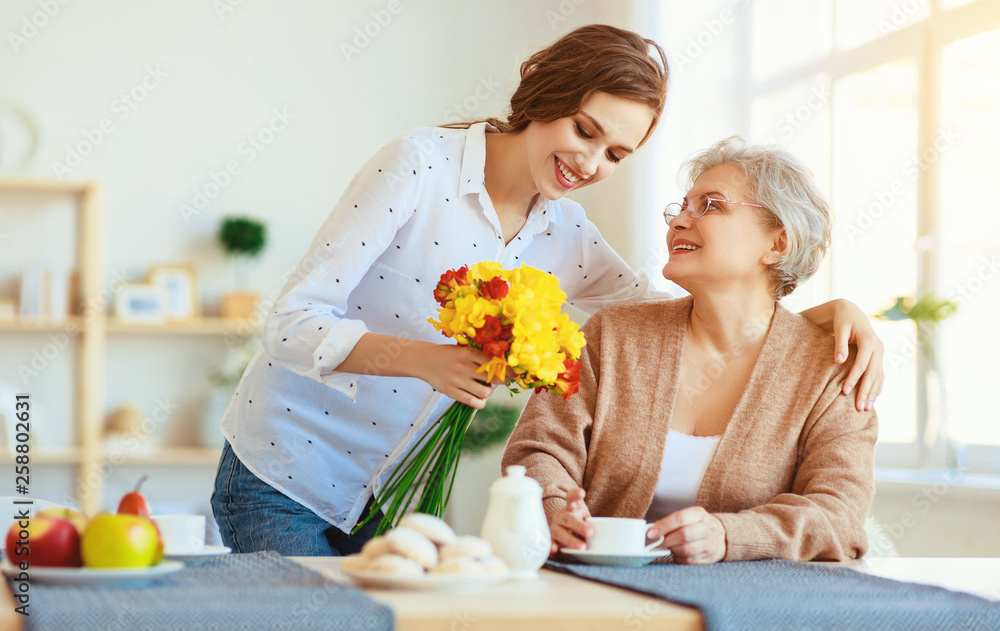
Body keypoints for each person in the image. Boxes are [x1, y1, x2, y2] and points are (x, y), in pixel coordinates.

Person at [211, 25, 882, 557]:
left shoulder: (567, 231)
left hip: (395, 491)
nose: (590, 163)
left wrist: (823, 318)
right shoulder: (418, 166)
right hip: (285, 471)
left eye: (616, 154)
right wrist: (423, 359)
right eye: (585, 131)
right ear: (545, 98)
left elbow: (690, 305)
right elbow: (291, 320)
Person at [502, 137, 879, 565]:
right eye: (681, 207)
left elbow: (840, 517)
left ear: (778, 244)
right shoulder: (613, 335)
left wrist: (729, 535)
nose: (679, 221)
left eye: (711, 205)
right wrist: (552, 507)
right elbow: (539, 449)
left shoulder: (832, 371)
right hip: (597, 593)